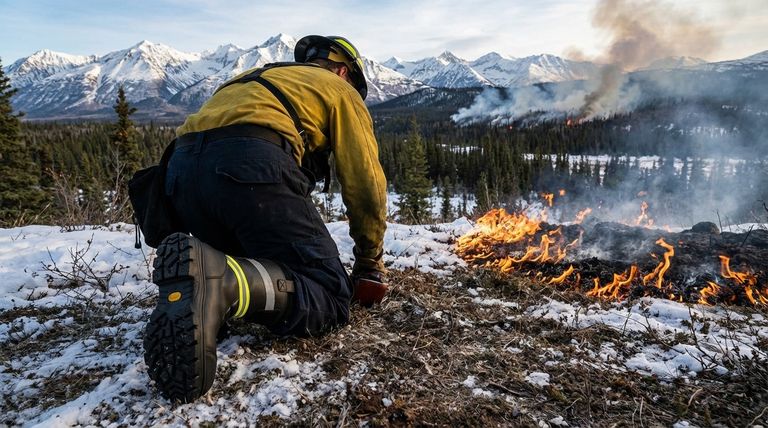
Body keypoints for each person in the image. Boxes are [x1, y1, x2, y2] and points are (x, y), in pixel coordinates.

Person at [142, 35, 388, 403]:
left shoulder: (251, 79)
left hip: (179, 175)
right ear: (343, 71)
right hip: (249, 165)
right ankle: (223, 284)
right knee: (329, 293)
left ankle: (209, 286)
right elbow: (365, 183)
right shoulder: (339, 88)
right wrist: (369, 260)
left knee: (261, 259)